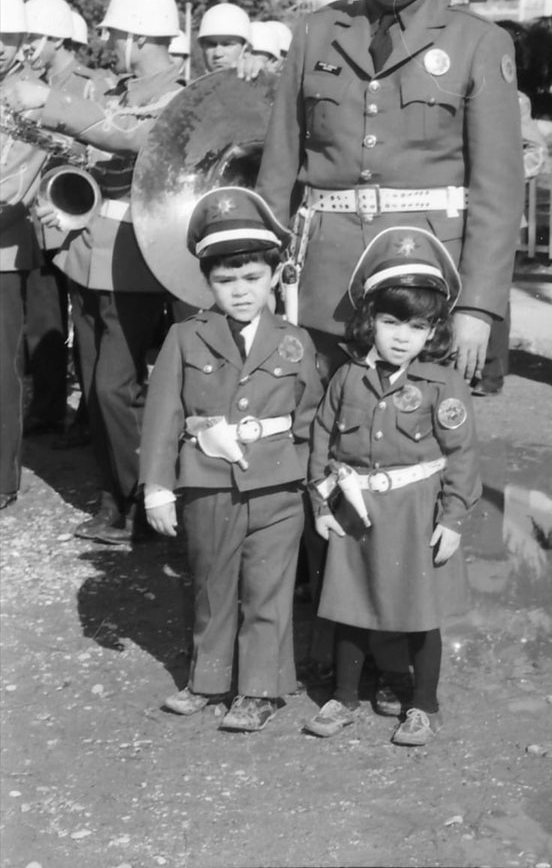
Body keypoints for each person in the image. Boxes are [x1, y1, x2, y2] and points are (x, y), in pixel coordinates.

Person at [252, 0, 523, 688]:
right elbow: (279, 173)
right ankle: (328, 626)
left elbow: (497, 189)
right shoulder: (311, 37)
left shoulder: (479, 43)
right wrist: (263, 280)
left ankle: (406, 639)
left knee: (415, 458)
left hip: (423, 296)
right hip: (323, 290)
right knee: (323, 454)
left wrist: (475, 307)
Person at [2, 0, 185, 540]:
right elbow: (93, 149)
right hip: (91, 254)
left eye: (116, 34)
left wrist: (52, 105)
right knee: (96, 382)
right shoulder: (118, 88)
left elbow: (132, 138)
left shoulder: (178, 94)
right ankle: (113, 498)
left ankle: (142, 496)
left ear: (137, 35)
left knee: (113, 387)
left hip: (134, 258)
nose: (109, 43)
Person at [139, 186, 323, 732]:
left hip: (277, 486)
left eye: (251, 278)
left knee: (268, 587)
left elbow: (312, 420)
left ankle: (260, 690)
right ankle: (209, 679)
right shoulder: (184, 337)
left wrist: (317, 491)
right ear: (207, 282)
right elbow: (162, 417)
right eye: (225, 280)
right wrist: (157, 487)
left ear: (274, 275)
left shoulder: (296, 342)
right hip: (208, 482)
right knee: (213, 584)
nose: (240, 292)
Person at [303, 227, 479, 746]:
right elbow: (322, 443)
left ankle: (423, 704)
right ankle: (344, 697)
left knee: (421, 614)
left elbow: (462, 457)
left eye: (418, 326)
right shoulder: (347, 379)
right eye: (390, 321)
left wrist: (452, 520)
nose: (402, 336)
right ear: (369, 321)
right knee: (350, 606)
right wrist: (322, 502)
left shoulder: (442, 386)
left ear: (433, 332)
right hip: (356, 509)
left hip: (416, 513)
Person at [21, 0, 113, 440]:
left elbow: (106, 147)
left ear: (56, 38)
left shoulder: (95, 84)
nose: (28, 46)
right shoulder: (26, 81)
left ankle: (92, 416)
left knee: (86, 321)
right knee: (44, 321)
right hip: (36, 214)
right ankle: (46, 408)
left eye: (35, 37)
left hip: (79, 213)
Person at [0, 0, 48, 510]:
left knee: (2, 374)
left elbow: (15, 182)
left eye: (8, 36)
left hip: (3, 254)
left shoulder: (32, 97)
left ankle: (1, 478)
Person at [474, 91, 548, 397]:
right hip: (450, 208)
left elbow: (535, 152)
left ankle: (492, 373)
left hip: (497, 208)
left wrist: (501, 177)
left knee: (495, 292)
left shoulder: (513, 98)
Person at [197, 3, 250, 74]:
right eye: (211, 45)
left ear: (246, 49)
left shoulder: (265, 84)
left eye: (227, 44)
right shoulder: (189, 85)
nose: (218, 54)